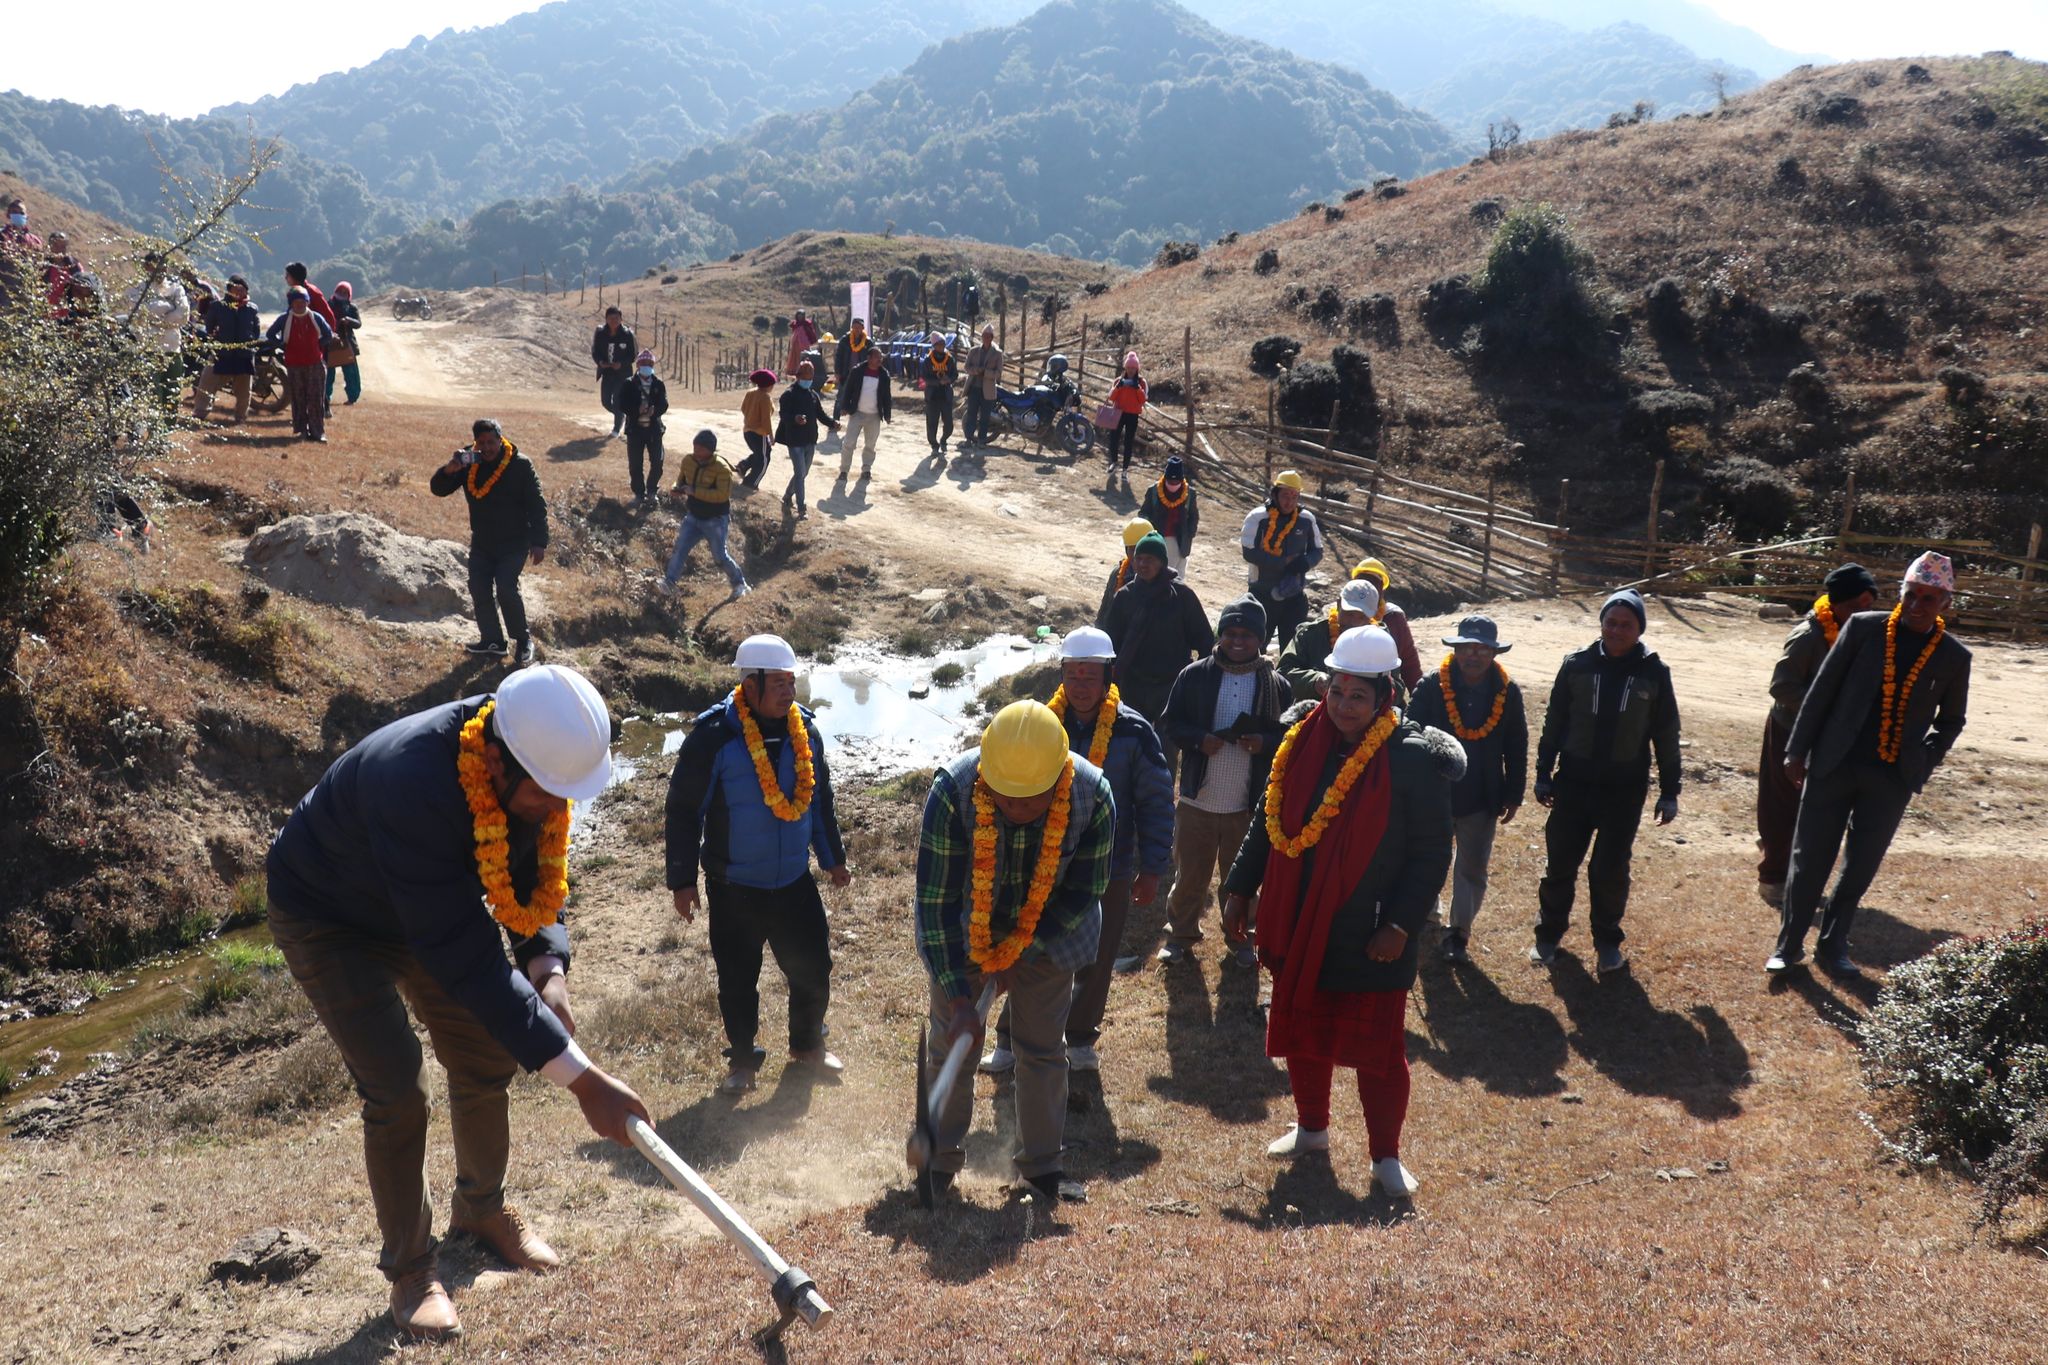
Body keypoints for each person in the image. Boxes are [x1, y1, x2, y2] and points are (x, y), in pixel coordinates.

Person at [265, 664, 650, 1340]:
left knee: (484, 1049)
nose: (556, 807)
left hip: (422, 900)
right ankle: (412, 1270)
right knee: (395, 1084)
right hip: (330, 914)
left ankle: (480, 1209)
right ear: (494, 761)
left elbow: (530, 868)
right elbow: (467, 960)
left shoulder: (527, 755)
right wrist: (586, 1082)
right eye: (548, 793)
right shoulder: (412, 780)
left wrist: (547, 968)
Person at [1220, 626, 1456, 1195]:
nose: (1344, 706)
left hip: (1372, 930)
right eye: (1337, 692)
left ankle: (1385, 1158)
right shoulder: (1302, 741)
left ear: (1384, 697)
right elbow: (1268, 821)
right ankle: (1311, 1129)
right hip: (1299, 920)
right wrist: (1240, 888)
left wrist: (1399, 925)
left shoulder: (1411, 757)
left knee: (1380, 1052)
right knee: (1303, 1032)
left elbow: (1431, 853)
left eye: (1358, 696)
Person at [914, 700, 1113, 1204]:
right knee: (951, 1045)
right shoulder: (952, 793)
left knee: (1042, 1046)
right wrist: (960, 997)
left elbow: (1083, 891)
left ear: (1060, 777)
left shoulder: (1093, 795)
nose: (1018, 810)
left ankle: (1042, 1167)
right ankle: (937, 1160)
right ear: (986, 776)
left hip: (1052, 932)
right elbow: (936, 904)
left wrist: (1022, 951)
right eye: (1006, 798)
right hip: (966, 928)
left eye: (1031, 800)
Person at [982, 629, 1173, 1075]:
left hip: (1110, 865)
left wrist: (1152, 867)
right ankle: (1009, 1039)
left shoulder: (1134, 732)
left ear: (1109, 676)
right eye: (1073, 674)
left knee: (1096, 954)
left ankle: (1081, 1038)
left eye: (1090, 675)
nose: (1081, 685)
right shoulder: (1043, 725)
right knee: (1026, 945)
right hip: (1042, 862)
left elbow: (1156, 801)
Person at [1771, 553, 1972, 977]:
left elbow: (1951, 721)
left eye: (1929, 598)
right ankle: (1788, 946)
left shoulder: (1954, 656)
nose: (1917, 605)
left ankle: (1833, 945)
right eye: (1911, 594)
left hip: (1892, 778)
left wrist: (1924, 760)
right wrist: (1796, 750)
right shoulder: (1864, 628)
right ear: (1901, 593)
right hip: (1833, 763)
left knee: (1860, 866)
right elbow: (1821, 691)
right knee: (1810, 858)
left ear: (1946, 603)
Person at [667, 635, 851, 1092]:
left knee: (813, 968)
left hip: (793, 881)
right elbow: (684, 810)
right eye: (778, 683)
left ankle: (807, 1045)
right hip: (734, 888)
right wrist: (682, 881)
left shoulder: (806, 732)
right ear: (750, 685)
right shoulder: (713, 737)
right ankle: (743, 1062)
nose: (789, 691)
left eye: (792, 681)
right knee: (737, 979)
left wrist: (833, 860)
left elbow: (819, 803)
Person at [1530, 588, 1681, 975]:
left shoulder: (1654, 672)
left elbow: (1666, 734)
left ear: (1639, 629)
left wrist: (1670, 792)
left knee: (1610, 870)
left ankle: (1608, 943)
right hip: (1573, 785)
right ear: (1600, 624)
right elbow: (1555, 721)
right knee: (1560, 864)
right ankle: (1548, 936)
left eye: (1626, 625)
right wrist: (1544, 773)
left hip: (1623, 791)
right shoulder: (1576, 665)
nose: (1616, 630)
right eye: (1610, 622)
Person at [1158, 595, 1293, 963]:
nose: (1237, 641)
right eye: (1230, 633)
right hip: (1198, 800)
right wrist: (1199, 739)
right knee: (1190, 877)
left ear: (1260, 639)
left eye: (1246, 635)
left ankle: (1242, 940)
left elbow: (1291, 736)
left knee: (1243, 880)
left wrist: (1263, 742)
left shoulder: (1276, 685)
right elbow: (1170, 723)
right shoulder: (1194, 675)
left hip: (1247, 804)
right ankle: (1180, 936)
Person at [1757, 563, 1878, 909]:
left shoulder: (1857, 631)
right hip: (1790, 730)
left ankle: (1788, 865)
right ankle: (1773, 880)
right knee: (1782, 806)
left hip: (1825, 735)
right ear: (1835, 603)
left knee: (1811, 811)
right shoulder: (1808, 636)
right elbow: (1781, 687)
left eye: (1868, 606)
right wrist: (1824, 704)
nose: (1863, 612)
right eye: (1855, 605)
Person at [1407, 615, 1527, 963]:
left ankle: (1458, 932)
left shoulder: (1507, 692)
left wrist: (1514, 794)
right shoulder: (1432, 685)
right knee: (1427, 858)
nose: (1473, 655)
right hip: (1435, 794)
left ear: (1494, 653)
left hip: (1482, 796)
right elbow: (1410, 731)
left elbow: (1516, 744)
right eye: (1466, 648)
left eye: (1482, 649)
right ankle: (1426, 917)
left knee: (1472, 867)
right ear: (1455, 650)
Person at [432, 420, 550, 665]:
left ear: (500, 439)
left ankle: (523, 641)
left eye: (491, 442)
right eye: (482, 442)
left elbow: (537, 504)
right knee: (478, 586)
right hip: (483, 541)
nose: (487, 448)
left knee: (506, 587)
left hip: (514, 542)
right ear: (476, 442)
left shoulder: (520, 464)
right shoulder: (468, 462)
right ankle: (493, 641)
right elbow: (438, 490)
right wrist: (449, 470)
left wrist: (539, 542)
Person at [1105, 532, 1215, 734]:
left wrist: (1196, 681)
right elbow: (1110, 642)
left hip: (1171, 687)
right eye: (1139, 558)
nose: (1143, 564)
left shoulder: (1182, 596)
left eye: (1150, 559)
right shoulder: (1125, 596)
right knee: (1131, 740)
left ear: (1162, 562)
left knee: (1167, 745)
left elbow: (1205, 641)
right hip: (1132, 686)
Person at [1241, 472, 1324, 649]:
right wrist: (1283, 562)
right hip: (1262, 593)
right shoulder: (1257, 517)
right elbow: (1249, 552)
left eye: (1294, 496)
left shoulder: (1306, 519)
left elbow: (1317, 550)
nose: (1290, 502)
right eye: (1285, 496)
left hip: (1294, 594)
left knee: (1293, 649)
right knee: (1255, 646)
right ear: (1275, 494)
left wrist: (1306, 562)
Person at [664, 430, 750, 600]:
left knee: (720, 557)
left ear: (710, 450)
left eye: (700, 448)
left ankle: (740, 584)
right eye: (695, 447)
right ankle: (669, 583)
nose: (696, 451)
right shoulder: (688, 461)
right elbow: (681, 480)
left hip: (715, 520)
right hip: (693, 516)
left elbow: (722, 495)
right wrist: (676, 488)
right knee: (680, 548)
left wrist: (695, 492)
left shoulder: (722, 469)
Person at [1278, 578, 1380, 701]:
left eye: (1362, 617)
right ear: (1338, 605)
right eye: (1349, 614)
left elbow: (1396, 687)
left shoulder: (1380, 641)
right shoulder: (1311, 634)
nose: (1354, 623)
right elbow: (1282, 673)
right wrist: (1314, 681)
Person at [265, 286, 334, 441]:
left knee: (316, 399)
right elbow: (270, 334)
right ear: (291, 303)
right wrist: (282, 345)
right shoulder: (284, 319)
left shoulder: (316, 317)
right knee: (298, 398)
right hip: (294, 365)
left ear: (307, 302)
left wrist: (318, 345)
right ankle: (302, 430)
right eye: (296, 302)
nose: (300, 305)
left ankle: (318, 432)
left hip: (315, 364)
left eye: (303, 301)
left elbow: (328, 334)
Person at [775, 360, 838, 520]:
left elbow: (820, 415)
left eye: (811, 376)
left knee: (803, 473)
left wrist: (832, 423)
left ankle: (787, 495)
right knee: (800, 473)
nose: (808, 379)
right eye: (806, 376)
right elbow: (784, 415)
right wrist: (795, 419)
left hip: (810, 440)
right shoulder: (788, 395)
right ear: (798, 376)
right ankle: (801, 508)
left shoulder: (813, 395)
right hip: (795, 441)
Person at [1349, 558, 1425, 691]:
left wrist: (1420, 697)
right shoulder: (1341, 614)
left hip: (1384, 691)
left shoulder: (1393, 617)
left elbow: (1410, 664)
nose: (1367, 590)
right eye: (1363, 582)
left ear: (1381, 590)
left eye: (1373, 584)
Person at [194, 275, 260, 424]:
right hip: (221, 352)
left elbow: (255, 330)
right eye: (236, 289)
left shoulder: (252, 309)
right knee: (207, 383)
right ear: (229, 291)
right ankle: (200, 413)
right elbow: (210, 327)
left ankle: (240, 417)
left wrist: (250, 345)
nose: (239, 293)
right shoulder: (217, 306)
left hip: (244, 354)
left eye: (242, 290)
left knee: (244, 390)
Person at [609, 349, 669, 504]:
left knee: (657, 461)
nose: (646, 366)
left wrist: (655, 411)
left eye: (650, 364)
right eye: (643, 363)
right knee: (635, 464)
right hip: (635, 429)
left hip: (654, 429)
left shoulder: (658, 384)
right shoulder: (628, 384)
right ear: (638, 365)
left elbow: (664, 404)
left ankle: (652, 491)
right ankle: (638, 493)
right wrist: (637, 410)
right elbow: (621, 404)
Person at [833, 343, 891, 481]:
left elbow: (887, 396)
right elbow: (848, 390)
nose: (880, 360)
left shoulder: (884, 375)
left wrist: (887, 414)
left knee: (870, 445)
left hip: (874, 415)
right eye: (877, 357)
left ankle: (866, 469)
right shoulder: (857, 371)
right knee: (849, 443)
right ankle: (844, 470)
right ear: (869, 358)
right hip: (857, 413)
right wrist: (844, 407)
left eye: (881, 357)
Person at [1139, 455, 1199, 579]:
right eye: (1170, 482)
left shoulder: (1190, 494)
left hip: (1181, 541)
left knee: (1178, 576)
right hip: (1158, 538)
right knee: (1160, 574)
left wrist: (1189, 534)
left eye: (1176, 482)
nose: (1173, 485)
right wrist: (1148, 529)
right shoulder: (1154, 491)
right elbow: (1143, 513)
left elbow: (1194, 516)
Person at [1095, 517, 1155, 628]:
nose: (1136, 555)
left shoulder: (1164, 579)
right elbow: (1104, 613)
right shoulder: (1118, 574)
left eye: (1141, 549)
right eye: (1132, 549)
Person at [590, 307, 636, 438]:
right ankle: (621, 415)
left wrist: (621, 364)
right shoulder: (600, 333)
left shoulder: (627, 334)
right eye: (611, 318)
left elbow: (633, 355)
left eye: (616, 318)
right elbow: (595, 351)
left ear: (621, 319)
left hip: (622, 374)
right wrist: (600, 362)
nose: (613, 321)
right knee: (605, 401)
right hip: (607, 372)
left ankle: (616, 429)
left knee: (617, 400)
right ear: (606, 319)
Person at [324, 280, 364, 413]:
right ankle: (326, 398)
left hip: (347, 344)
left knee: (351, 373)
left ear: (349, 294)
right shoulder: (328, 305)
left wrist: (348, 320)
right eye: (340, 291)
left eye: (345, 292)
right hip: (330, 343)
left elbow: (358, 323)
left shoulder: (352, 308)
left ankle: (352, 397)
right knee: (328, 374)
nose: (342, 294)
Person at [962, 324, 1003, 450]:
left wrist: (985, 373)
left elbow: (998, 373)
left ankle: (981, 440)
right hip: (974, 388)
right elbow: (966, 367)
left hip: (988, 390)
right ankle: (968, 439)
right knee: (971, 414)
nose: (985, 338)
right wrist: (976, 371)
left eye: (988, 336)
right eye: (984, 336)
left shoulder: (997, 353)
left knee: (985, 416)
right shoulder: (973, 351)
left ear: (992, 338)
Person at [1107, 351, 1147, 473]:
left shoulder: (1141, 382)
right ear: (1125, 367)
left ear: (1137, 369)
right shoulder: (1118, 381)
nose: (1131, 370)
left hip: (1132, 415)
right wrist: (1118, 387)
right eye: (1129, 367)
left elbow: (1143, 400)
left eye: (1133, 368)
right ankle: (1114, 462)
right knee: (1113, 438)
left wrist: (1137, 389)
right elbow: (1111, 397)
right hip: (1118, 413)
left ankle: (1125, 467)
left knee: (1128, 442)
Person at [0, 196, 43, 308]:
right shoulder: (2, 236)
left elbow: (40, 266)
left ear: (26, 216)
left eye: (21, 213)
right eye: (14, 212)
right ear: (8, 215)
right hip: (3, 290)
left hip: (26, 292)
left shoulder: (35, 241)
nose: (18, 215)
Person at [737, 368, 776, 487]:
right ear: (767, 385)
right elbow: (766, 420)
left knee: (760, 454)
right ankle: (751, 482)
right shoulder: (765, 398)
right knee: (764, 459)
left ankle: (743, 465)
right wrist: (770, 435)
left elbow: (743, 408)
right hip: (759, 433)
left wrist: (750, 418)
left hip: (747, 431)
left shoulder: (750, 393)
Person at [921, 335, 956, 453]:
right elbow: (925, 377)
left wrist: (949, 379)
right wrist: (937, 382)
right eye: (939, 344)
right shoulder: (927, 360)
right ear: (934, 345)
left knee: (949, 424)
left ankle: (944, 439)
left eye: (943, 344)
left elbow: (955, 374)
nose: (941, 346)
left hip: (946, 395)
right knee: (932, 423)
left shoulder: (949, 358)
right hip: (932, 396)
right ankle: (934, 445)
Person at [283, 261, 339, 332]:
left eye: (288, 275)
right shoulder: (293, 292)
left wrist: (329, 333)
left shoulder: (312, 292)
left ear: (295, 276)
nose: (285, 278)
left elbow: (327, 315)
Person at [833, 316, 871, 386]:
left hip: (862, 374)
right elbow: (838, 357)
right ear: (851, 328)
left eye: (859, 327)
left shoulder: (868, 342)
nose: (857, 329)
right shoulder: (844, 340)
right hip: (846, 373)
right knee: (844, 392)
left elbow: (872, 358)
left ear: (863, 328)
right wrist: (837, 373)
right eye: (855, 327)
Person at [786, 308, 819, 376]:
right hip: (796, 343)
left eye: (801, 316)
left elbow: (811, 333)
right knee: (795, 358)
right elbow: (794, 332)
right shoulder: (795, 324)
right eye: (799, 316)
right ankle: (795, 371)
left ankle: (804, 371)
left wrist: (811, 341)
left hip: (804, 344)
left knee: (804, 357)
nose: (800, 317)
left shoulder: (806, 324)